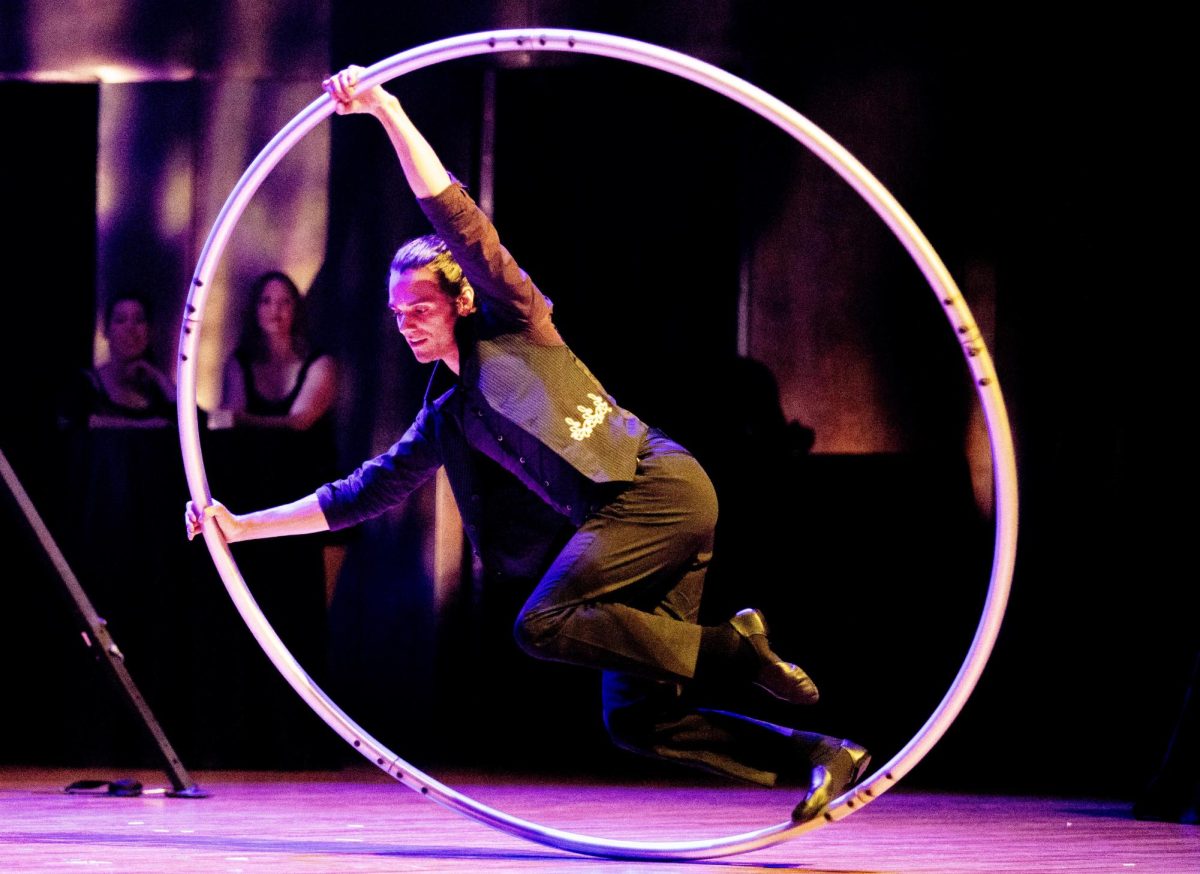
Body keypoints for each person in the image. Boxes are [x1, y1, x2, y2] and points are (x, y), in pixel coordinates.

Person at [187, 66, 868, 819]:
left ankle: (738, 649)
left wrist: (385, 109)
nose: (406, 321)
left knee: (542, 622)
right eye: (396, 311)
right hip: (628, 527)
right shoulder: (447, 413)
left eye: (420, 305)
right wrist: (243, 526)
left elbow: (456, 217)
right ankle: (819, 755)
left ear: (460, 300)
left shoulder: (515, 318)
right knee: (639, 721)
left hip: (658, 489)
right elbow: (363, 493)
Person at [63, 294, 176, 429]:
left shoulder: (158, 392)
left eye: (139, 320)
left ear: (150, 331)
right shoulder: (85, 385)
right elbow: (71, 423)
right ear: (106, 330)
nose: (130, 328)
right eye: (120, 320)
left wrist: (158, 376)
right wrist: (143, 425)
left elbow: (194, 424)